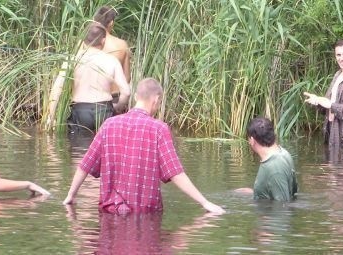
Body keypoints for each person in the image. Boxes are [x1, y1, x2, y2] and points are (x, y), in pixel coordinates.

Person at [62, 78, 225, 214]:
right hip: (144, 214)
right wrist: (204, 202)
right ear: (156, 100)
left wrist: (70, 195)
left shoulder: (108, 125)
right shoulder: (159, 129)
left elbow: (85, 165)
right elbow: (175, 173)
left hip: (110, 213)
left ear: (135, 97)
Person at [46, 5, 132, 130]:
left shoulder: (73, 57)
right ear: (102, 41)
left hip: (80, 109)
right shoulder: (115, 56)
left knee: (78, 148)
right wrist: (117, 108)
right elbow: (127, 89)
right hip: (105, 108)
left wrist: (50, 116)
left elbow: (57, 88)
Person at [235, 117, 298, 202]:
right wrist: (256, 192)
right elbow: (290, 192)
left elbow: (282, 208)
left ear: (252, 140)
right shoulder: (284, 153)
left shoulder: (274, 168)